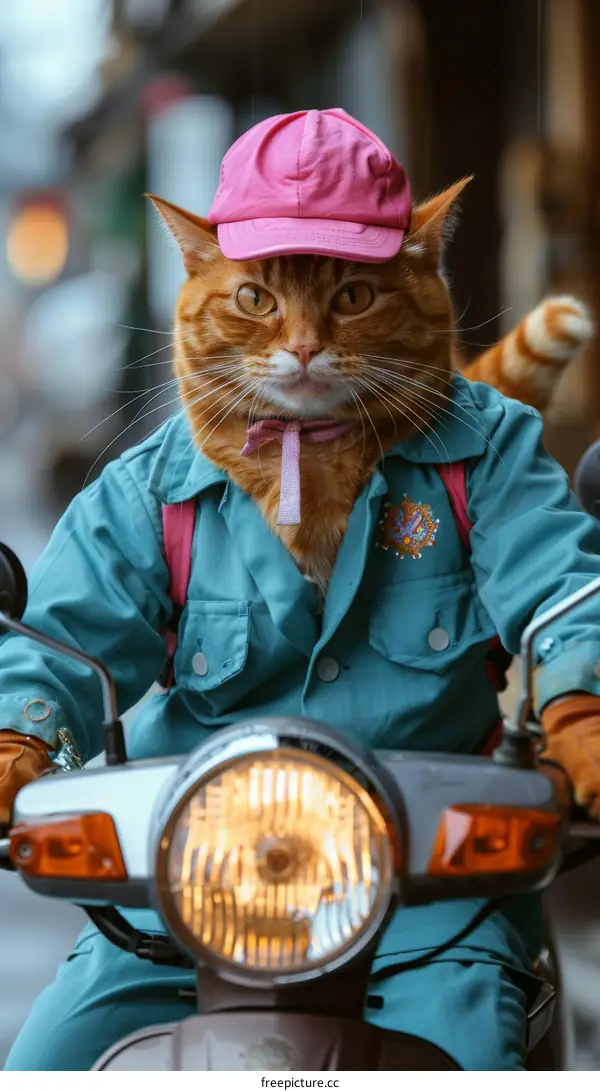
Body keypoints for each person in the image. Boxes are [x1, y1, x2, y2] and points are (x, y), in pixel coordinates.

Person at [2, 108, 600, 1071]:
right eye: (256, 299)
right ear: (197, 273)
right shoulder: (152, 486)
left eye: (351, 297)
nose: (303, 342)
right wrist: (17, 736)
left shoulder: (484, 451)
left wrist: (581, 707)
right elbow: (61, 640)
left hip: (428, 898)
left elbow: (563, 587)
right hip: (186, 899)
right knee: (43, 1068)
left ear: (419, 272)